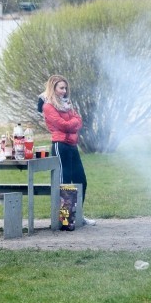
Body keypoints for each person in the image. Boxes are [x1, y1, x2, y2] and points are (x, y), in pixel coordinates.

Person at [41, 74, 95, 226]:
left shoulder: (68, 104)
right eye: (61, 88)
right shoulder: (48, 106)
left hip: (72, 145)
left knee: (81, 180)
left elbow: (79, 121)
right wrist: (72, 123)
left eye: (65, 88)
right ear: (53, 89)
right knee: (64, 182)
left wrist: (71, 122)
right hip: (60, 145)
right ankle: (64, 220)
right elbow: (62, 125)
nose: (64, 91)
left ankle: (77, 216)